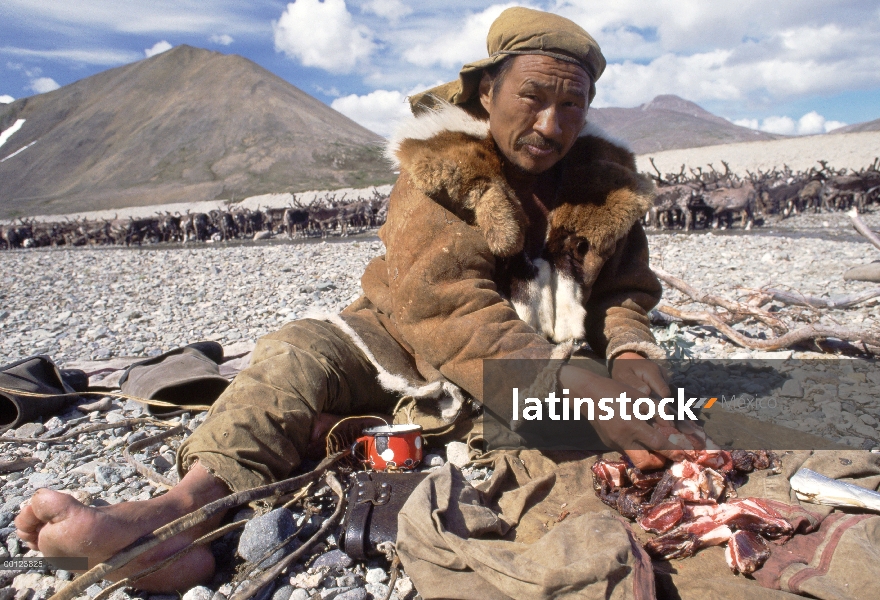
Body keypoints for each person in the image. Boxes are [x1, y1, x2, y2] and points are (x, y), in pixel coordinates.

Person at [15, 7, 689, 592]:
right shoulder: (443, 167)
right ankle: (184, 513)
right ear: (488, 92)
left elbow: (623, 292)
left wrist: (629, 349)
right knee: (293, 357)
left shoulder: (606, 185)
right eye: (532, 97)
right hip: (400, 341)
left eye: (572, 105)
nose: (550, 123)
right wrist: (566, 380)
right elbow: (446, 308)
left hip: (522, 367)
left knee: (587, 468)